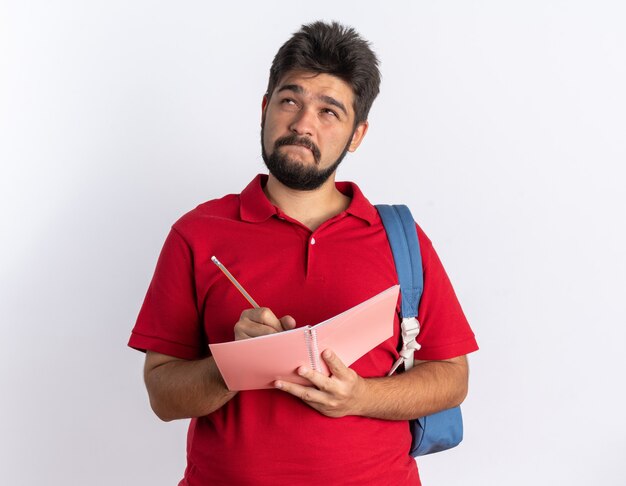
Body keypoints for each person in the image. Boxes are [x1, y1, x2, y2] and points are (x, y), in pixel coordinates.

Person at [129, 20, 478, 485]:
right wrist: (233, 364)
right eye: (290, 100)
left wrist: (359, 397)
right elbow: (162, 395)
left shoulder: (401, 237)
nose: (302, 123)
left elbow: (453, 378)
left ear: (357, 135)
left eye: (329, 111)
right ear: (264, 108)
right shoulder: (197, 234)